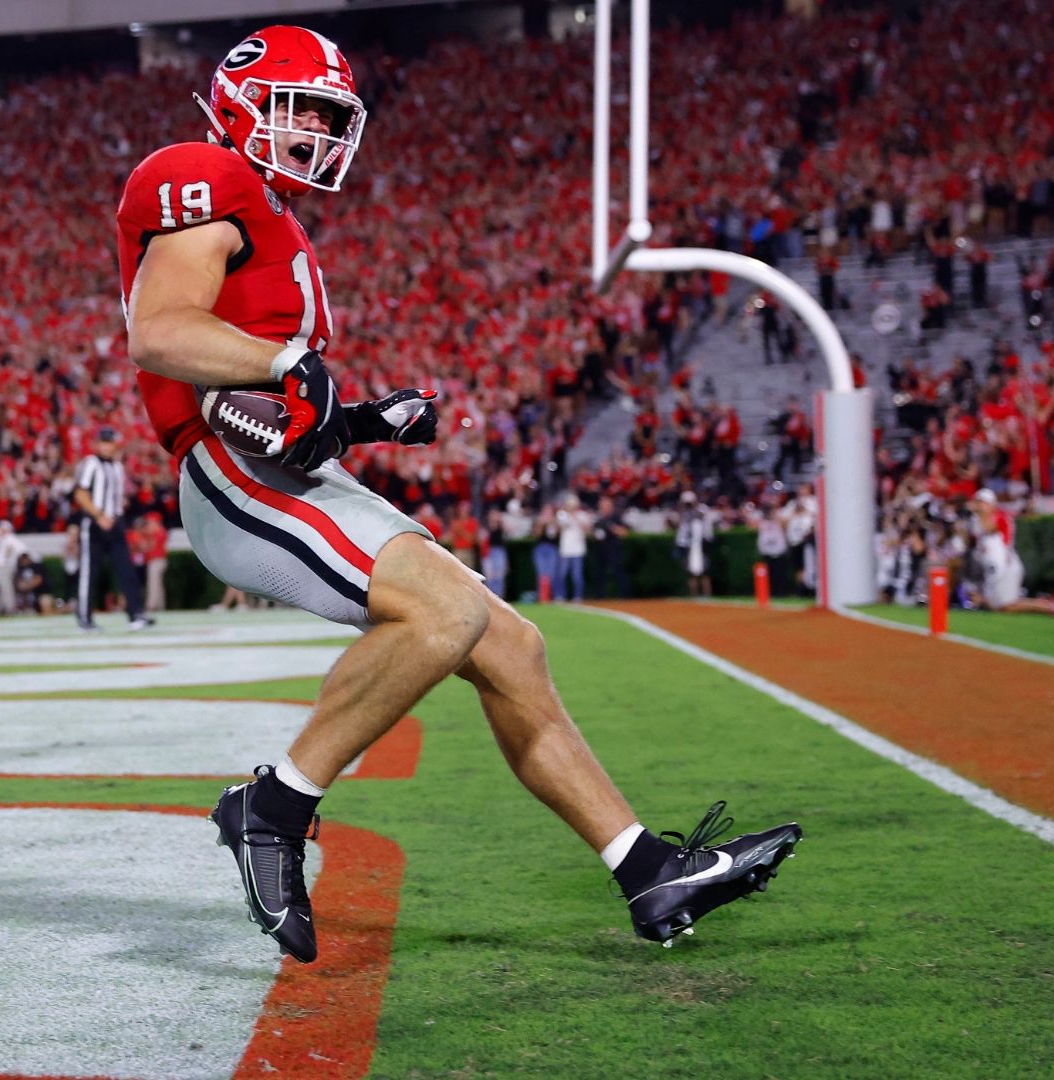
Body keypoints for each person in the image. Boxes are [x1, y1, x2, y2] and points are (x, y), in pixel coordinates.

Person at [117, 25, 799, 962]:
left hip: (287, 466)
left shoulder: (274, 215)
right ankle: (270, 809)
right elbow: (161, 332)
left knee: (513, 643)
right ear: (242, 100)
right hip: (229, 476)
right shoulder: (202, 171)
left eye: (329, 114)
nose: (315, 129)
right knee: (442, 615)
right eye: (300, 107)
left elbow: (278, 401)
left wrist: (358, 418)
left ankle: (648, 870)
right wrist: (290, 361)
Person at [72, 427, 150, 631]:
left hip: (115, 523)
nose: (109, 446)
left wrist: (116, 509)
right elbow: (80, 493)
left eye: (111, 442)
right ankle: (84, 618)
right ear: (99, 444)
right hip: (94, 524)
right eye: (105, 442)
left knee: (126, 570)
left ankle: (136, 614)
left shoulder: (117, 466)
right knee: (90, 572)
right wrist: (99, 515)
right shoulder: (91, 463)